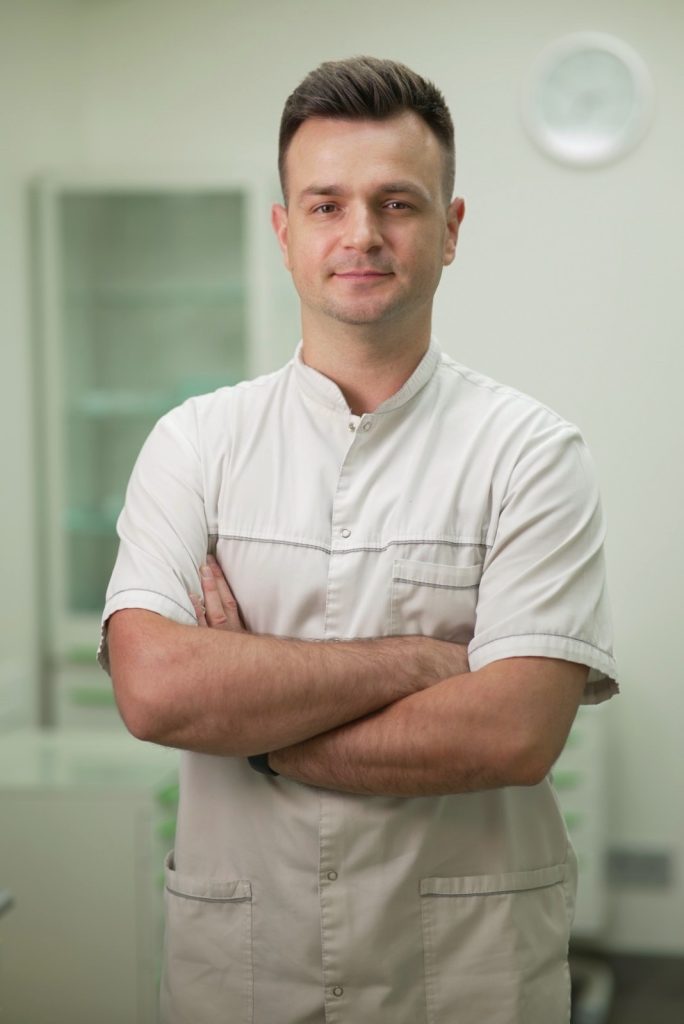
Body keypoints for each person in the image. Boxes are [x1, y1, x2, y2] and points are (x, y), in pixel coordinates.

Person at [100, 56, 618, 1024]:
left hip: (466, 973)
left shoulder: (533, 453)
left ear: (450, 230)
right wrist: (420, 663)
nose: (362, 234)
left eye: (398, 203)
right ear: (284, 231)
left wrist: (258, 733)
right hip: (244, 969)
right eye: (327, 204)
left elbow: (512, 732)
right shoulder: (195, 442)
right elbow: (157, 689)